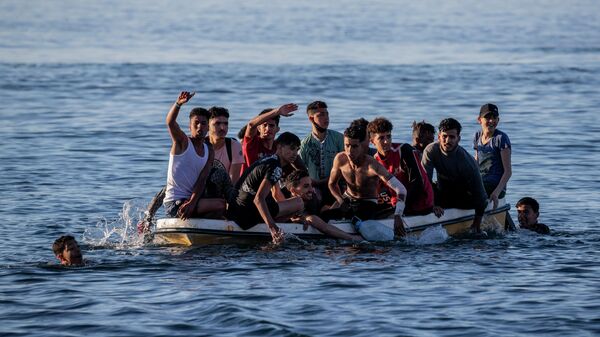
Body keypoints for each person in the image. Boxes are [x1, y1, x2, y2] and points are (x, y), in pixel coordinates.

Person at [326, 122, 408, 236]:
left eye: (354, 146)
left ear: (362, 146)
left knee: (356, 222)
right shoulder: (340, 159)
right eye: (347, 145)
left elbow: (401, 189)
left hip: (367, 203)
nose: (350, 151)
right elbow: (332, 184)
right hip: (347, 199)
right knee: (325, 217)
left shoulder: (372, 165)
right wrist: (340, 200)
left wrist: (398, 214)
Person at [228, 132, 305, 244]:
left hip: (235, 210)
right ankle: (275, 224)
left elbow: (276, 194)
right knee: (299, 202)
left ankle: (280, 221)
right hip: (246, 216)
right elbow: (258, 199)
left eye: (297, 150)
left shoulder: (268, 159)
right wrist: (272, 227)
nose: (295, 154)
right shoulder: (276, 167)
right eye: (292, 148)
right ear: (279, 146)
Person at [162, 91, 225, 219]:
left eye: (203, 123)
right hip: (174, 204)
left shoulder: (209, 151)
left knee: (220, 211)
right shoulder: (182, 142)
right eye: (196, 123)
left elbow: (202, 180)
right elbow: (170, 122)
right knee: (221, 204)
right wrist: (178, 104)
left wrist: (192, 202)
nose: (199, 126)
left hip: (191, 201)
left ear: (208, 127)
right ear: (189, 126)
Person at [421, 118, 488, 233]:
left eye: (452, 137)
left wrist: (476, 223)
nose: (448, 141)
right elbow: (425, 181)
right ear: (439, 137)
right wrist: (432, 205)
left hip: (464, 197)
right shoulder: (431, 150)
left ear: (458, 139)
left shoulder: (467, 162)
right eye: (444, 136)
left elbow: (481, 197)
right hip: (443, 192)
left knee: (480, 200)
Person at [368, 117, 434, 215]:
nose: (386, 141)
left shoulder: (404, 150)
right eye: (381, 138)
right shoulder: (375, 160)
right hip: (398, 203)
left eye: (388, 136)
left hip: (421, 204)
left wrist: (399, 209)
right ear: (372, 141)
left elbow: (418, 184)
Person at [285, 170, 362, 241]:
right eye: (306, 186)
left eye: (311, 185)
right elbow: (322, 226)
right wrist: (352, 238)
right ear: (293, 190)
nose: (311, 190)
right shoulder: (285, 201)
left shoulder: (313, 196)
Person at [298, 101, 344, 205]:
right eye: (321, 115)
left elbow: (346, 166)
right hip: (314, 187)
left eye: (327, 114)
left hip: (336, 184)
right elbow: (301, 171)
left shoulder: (339, 139)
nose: (326, 118)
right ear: (311, 119)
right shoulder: (304, 144)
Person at [474, 103, 512, 209]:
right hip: (480, 183)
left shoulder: (501, 138)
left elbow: (508, 172)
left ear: (498, 120)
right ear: (479, 119)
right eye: (487, 117)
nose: (491, 121)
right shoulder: (477, 136)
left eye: (494, 117)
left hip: (495, 186)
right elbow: (477, 162)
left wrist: (496, 193)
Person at [241, 103, 298, 172]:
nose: (267, 129)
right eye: (264, 125)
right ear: (259, 128)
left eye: (271, 125)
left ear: (277, 129)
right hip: (249, 182)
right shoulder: (252, 143)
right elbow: (251, 125)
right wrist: (277, 112)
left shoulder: (279, 147)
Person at [208, 106, 245, 185]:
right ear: (207, 126)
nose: (222, 128)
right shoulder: (199, 145)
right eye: (217, 124)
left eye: (226, 124)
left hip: (224, 192)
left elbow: (232, 183)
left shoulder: (234, 146)